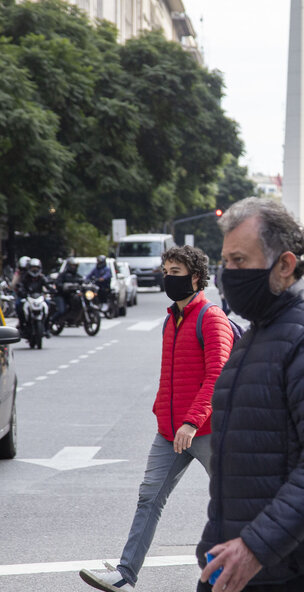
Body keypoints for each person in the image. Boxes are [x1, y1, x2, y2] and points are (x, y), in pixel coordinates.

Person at [197, 197, 304, 592]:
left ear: (285, 265)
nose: (228, 274)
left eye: (239, 261)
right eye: (226, 262)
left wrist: (254, 546)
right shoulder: (258, 335)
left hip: (302, 570)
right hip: (243, 562)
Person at [80, 246, 234, 592]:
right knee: (149, 498)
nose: (168, 277)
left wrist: (192, 421)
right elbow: (171, 375)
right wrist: (163, 413)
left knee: (232, 502)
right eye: (166, 270)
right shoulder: (171, 319)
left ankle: (258, 573)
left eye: (176, 272)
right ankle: (125, 573)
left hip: (206, 430)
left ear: (195, 277)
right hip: (170, 431)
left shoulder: (211, 317)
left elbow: (218, 375)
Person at [50, 257, 84, 324]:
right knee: (61, 311)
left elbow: (83, 281)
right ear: (69, 266)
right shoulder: (63, 275)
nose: (74, 267)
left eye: (75, 266)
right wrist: (64, 286)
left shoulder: (77, 276)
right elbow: (57, 283)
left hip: (71, 296)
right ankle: (50, 322)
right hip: (61, 295)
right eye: (72, 265)